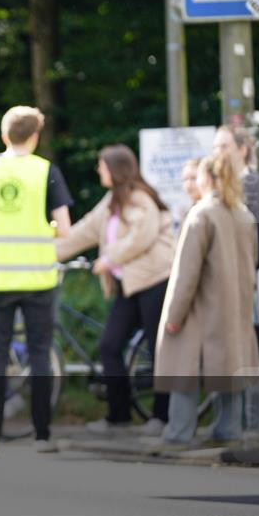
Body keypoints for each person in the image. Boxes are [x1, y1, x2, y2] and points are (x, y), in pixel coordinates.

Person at [0, 105, 73, 454]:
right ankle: (42, 437)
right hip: (38, 276)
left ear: (4, 135)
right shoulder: (45, 171)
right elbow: (64, 229)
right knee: (39, 354)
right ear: (35, 137)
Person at [56, 145, 175, 436]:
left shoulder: (139, 198)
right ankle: (118, 415)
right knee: (110, 345)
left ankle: (162, 417)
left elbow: (141, 236)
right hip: (129, 285)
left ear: (115, 168)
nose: (98, 170)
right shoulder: (112, 201)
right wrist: (45, 254)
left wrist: (109, 259)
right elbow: (83, 231)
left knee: (160, 351)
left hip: (154, 281)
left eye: (101, 165)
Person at [153, 151, 259, 447]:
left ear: (208, 177)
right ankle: (229, 430)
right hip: (235, 308)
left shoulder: (201, 214)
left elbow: (185, 274)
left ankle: (179, 432)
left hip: (203, 309)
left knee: (184, 368)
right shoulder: (244, 215)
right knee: (230, 364)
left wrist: (174, 316)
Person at [213, 126, 259, 436]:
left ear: (242, 149)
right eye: (216, 147)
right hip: (232, 275)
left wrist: (242, 268)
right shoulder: (225, 185)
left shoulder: (255, 185)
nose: (219, 153)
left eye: (224, 146)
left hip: (252, 275)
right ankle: (245, 418)